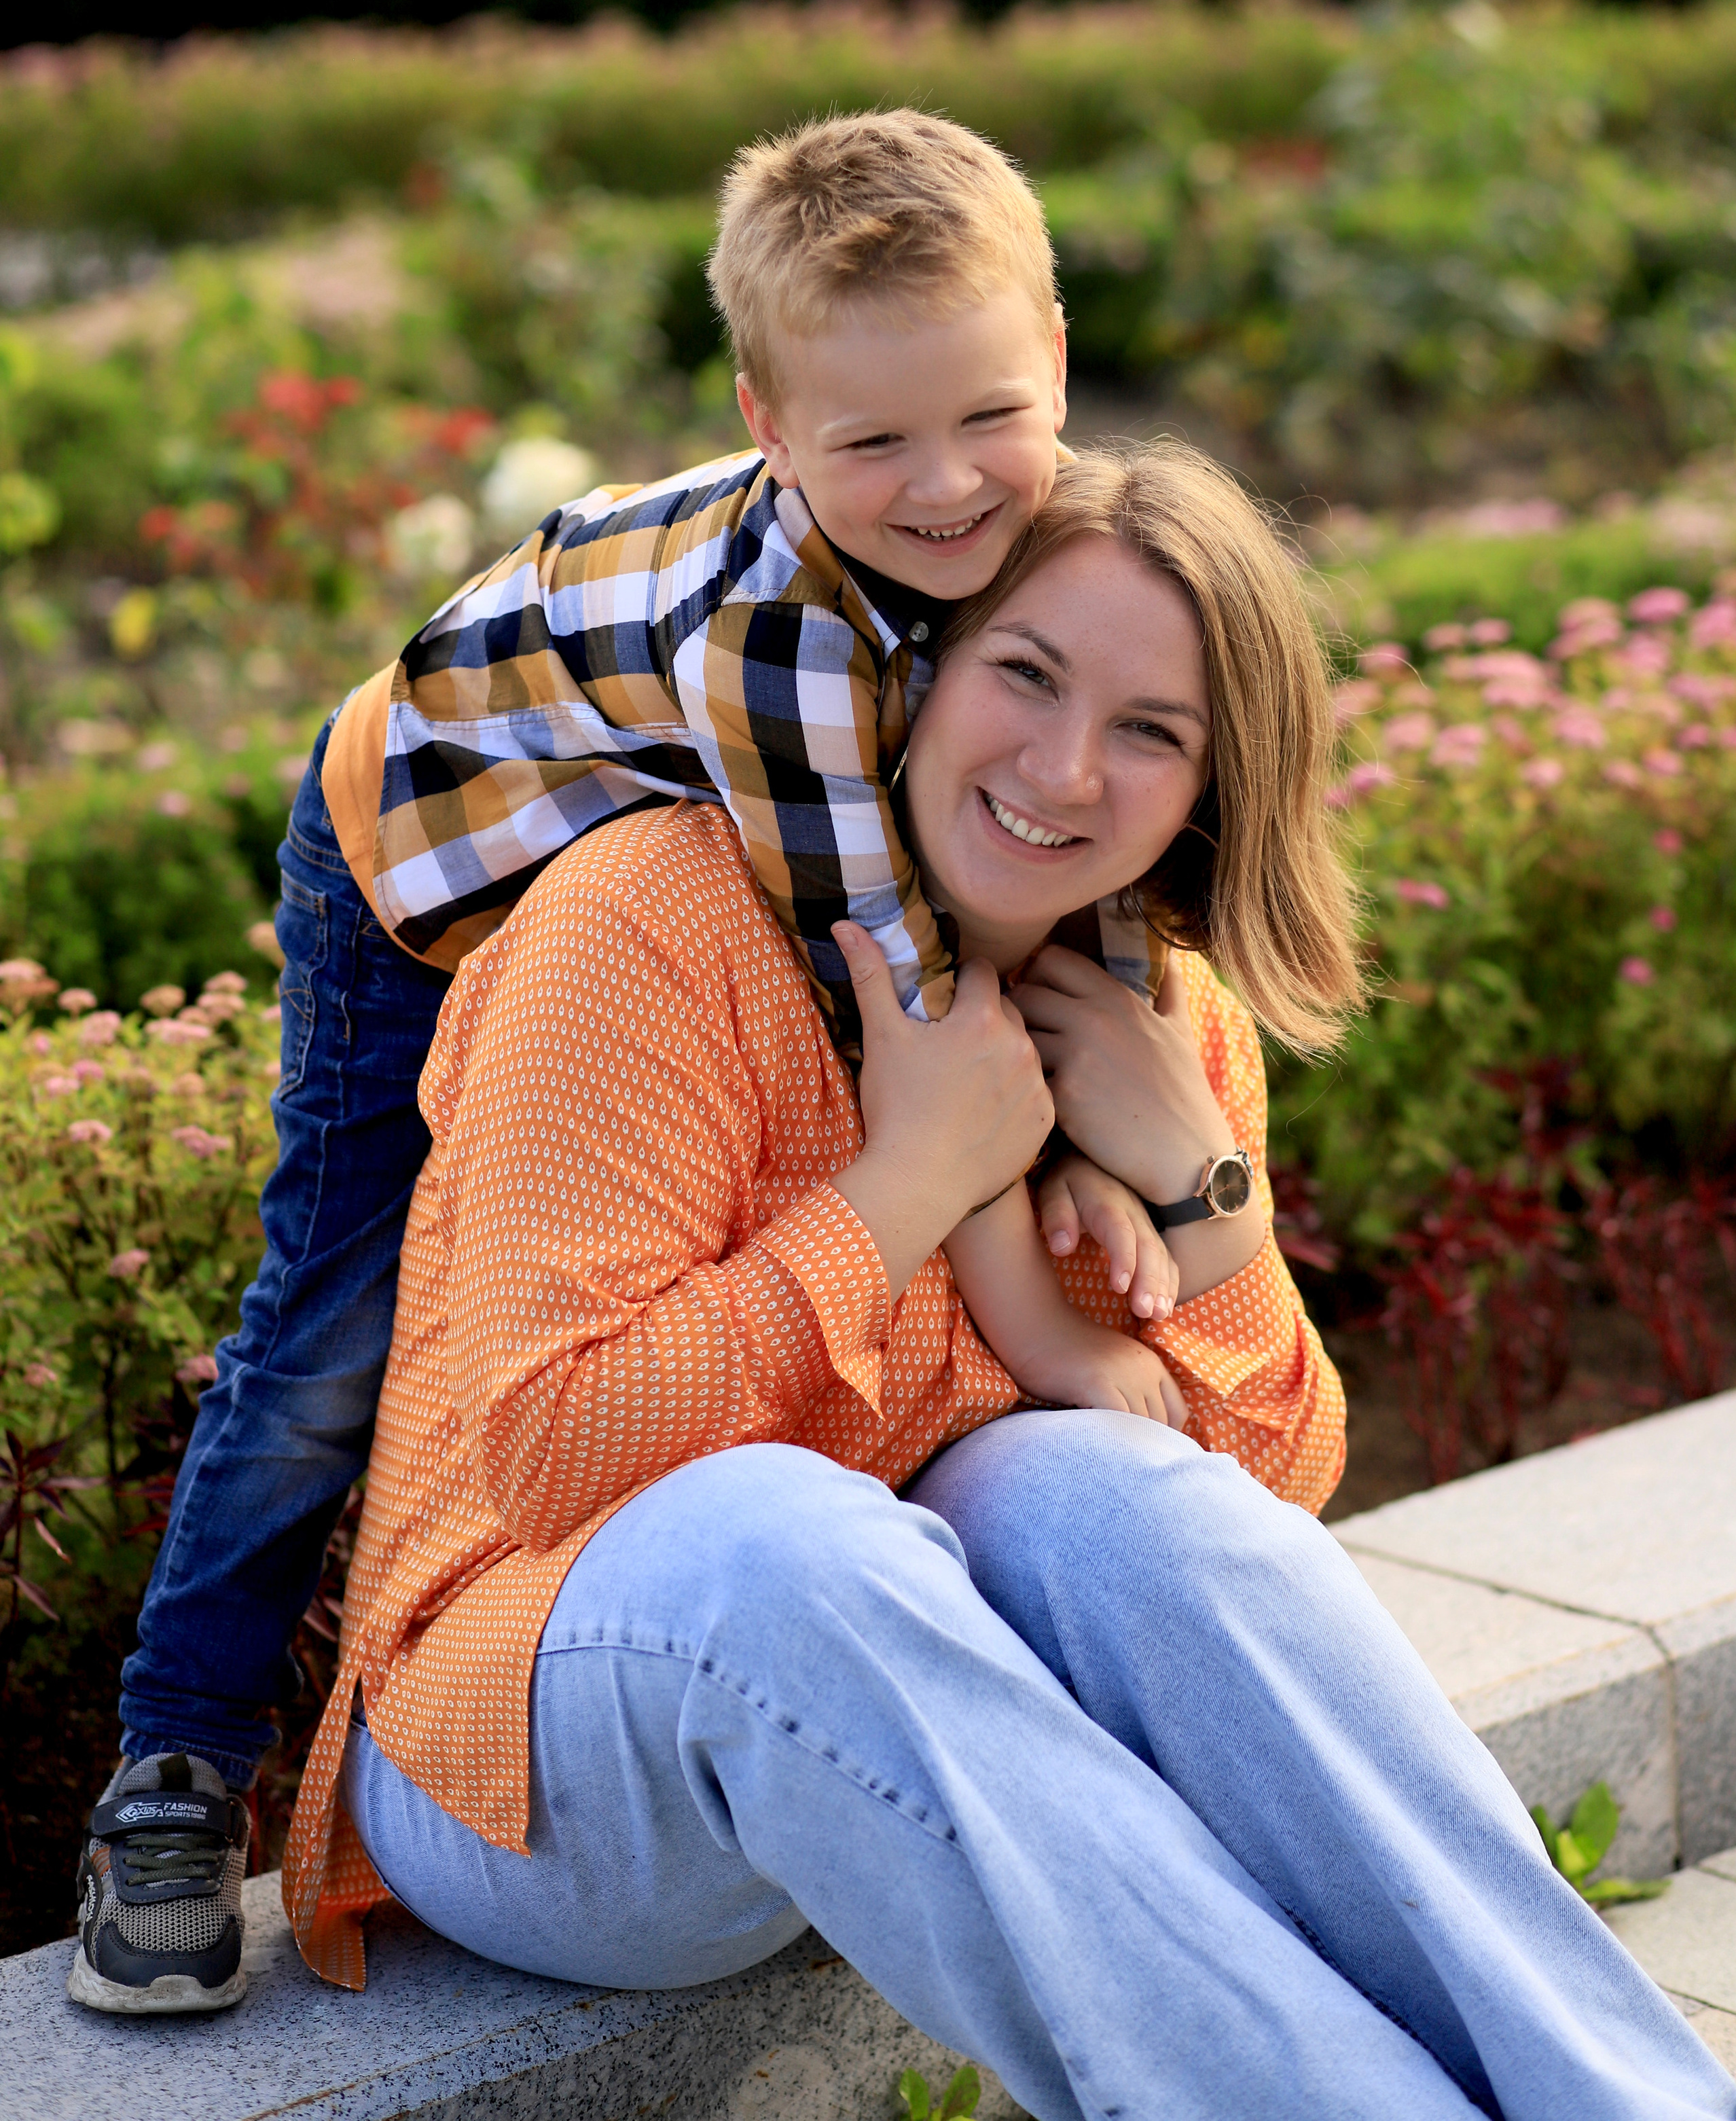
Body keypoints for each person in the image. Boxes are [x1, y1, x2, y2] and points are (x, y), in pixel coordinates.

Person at [257, 448, 1729, 2121]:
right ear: (914, 671)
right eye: (1023, 674)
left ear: (1208, 789)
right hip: (527, 1759)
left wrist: (1206, 1191)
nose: (1063, 769)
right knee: (784, 1533)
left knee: (1103, 1492)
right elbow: (553, 1460)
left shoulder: (1138, 1009)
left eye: (1151, 732)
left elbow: (1249, 1510)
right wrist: (902, 1189)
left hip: (894, 1725)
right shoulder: (651, 920)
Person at [75, 110, 1195, 2014]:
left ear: (1060, 358)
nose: (946, 487)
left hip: (618, 839)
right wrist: (1065, 1320)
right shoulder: (784, 647)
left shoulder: (1047, 540)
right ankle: (174, 1770)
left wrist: (1122, 1144)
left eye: (988, 417)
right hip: (419, 852)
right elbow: (907, 1011)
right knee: (335, 1315)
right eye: (870, 446)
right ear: (768, 421)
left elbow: (1040, 876)